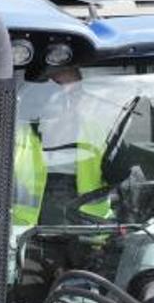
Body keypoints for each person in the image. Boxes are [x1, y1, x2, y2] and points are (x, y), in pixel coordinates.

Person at [12, 67, 108, 226]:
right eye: (59, 94)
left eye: (75, 93)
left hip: (89, 236)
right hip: (24, 239)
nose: (69, 102)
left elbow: (127, 180)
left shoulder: (98, 134)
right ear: (43, 96)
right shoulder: (17, 137)